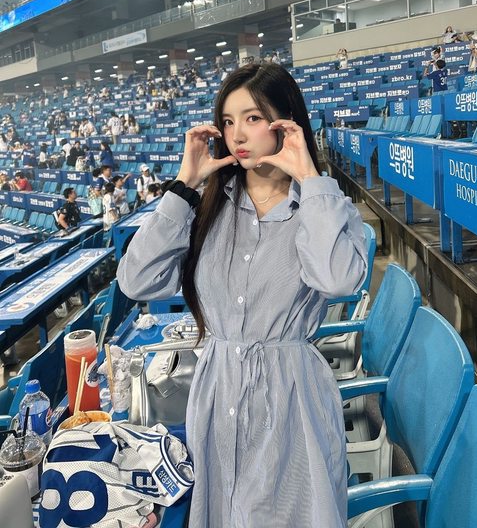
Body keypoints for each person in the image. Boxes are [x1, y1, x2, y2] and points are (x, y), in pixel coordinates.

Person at [117, 63, 367, 527]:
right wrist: (184, 186)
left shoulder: (324, 206)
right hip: (217, 395)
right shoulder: (209, 209)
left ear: (286, 123)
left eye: (253, 118)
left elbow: (338, 280)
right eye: (228, 121)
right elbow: (137, 281)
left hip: (292, 402)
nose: (237, 134)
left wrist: (310, 178)